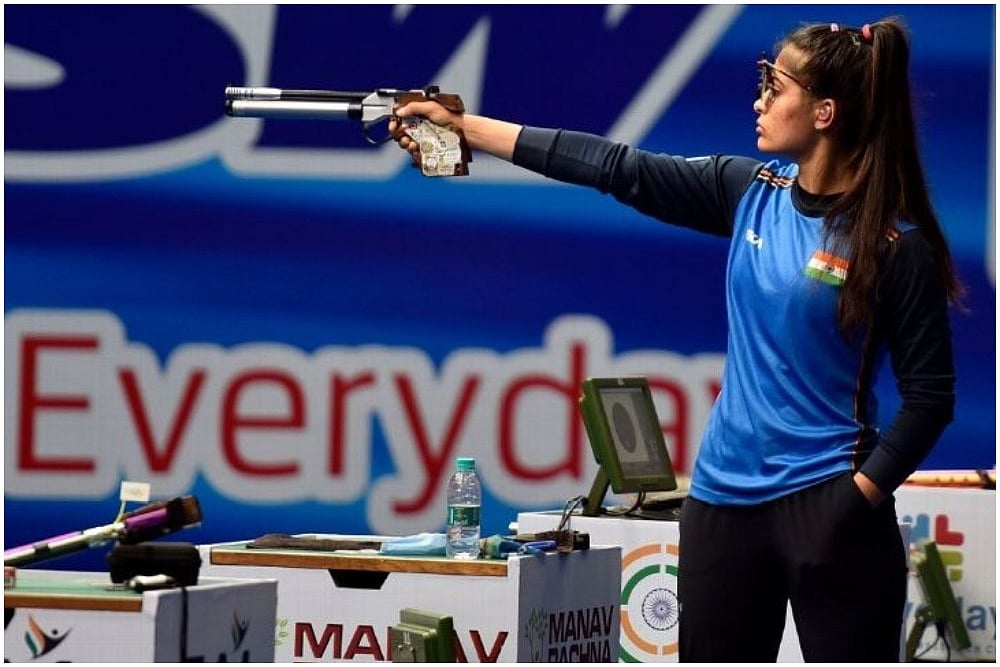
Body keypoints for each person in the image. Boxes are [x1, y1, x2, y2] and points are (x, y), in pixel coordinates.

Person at [391, 16, 961, 663]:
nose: (760, 101)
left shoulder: (893, 246)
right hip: (721, 506)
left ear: (825, 111)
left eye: (775, 85)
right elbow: (611, 166)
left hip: (829, 506)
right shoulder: (749, 192)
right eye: (761, 82)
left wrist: (853, 498)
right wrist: (463, 127)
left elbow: (930, 399)